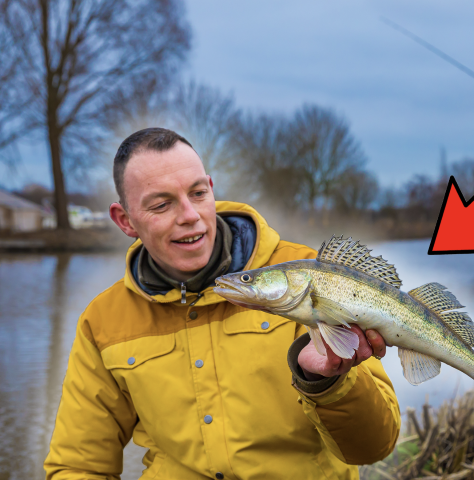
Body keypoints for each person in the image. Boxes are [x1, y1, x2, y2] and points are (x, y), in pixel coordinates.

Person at [44, 128, 400, 479]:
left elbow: (374, 447)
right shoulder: (103, 321)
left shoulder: (312, 279)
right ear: (125, 220)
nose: (189, 215)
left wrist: (326, 384)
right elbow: (77, 465)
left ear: (211, 189)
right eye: (162, 204)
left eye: (197, 193)